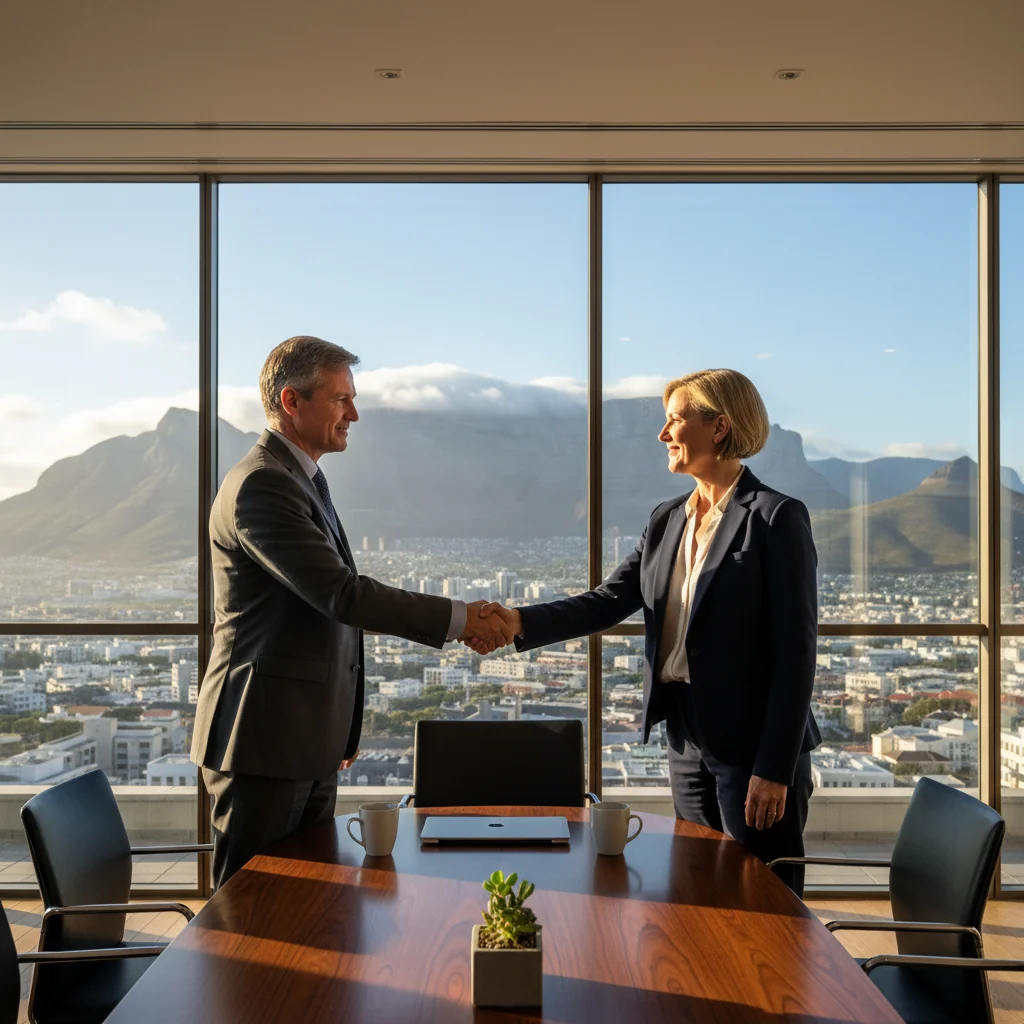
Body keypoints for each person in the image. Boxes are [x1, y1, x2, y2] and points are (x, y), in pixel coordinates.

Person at [191, 335, 513, 888]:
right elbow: (342, 595)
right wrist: (464, 620)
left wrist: (339, 729)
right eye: (341, 399)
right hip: (263, 740)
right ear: (293, 402)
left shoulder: (299, 479)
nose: (354, 414)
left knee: (304, 903)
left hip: (301, 736)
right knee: (252, 914)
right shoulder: (263, 485)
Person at [483, 369, 820, 895]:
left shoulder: (776, 518)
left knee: (765, 898)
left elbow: (796, 652)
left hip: (755, 746)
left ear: (720, 426)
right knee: (700, 885)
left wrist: (774, 768)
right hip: (684, 735)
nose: (663, 434)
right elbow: (609, 600)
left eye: (675, 420)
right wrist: (519, 622)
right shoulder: (667, 519)